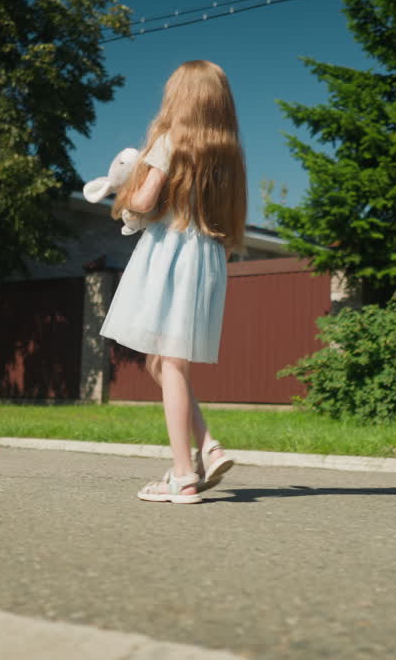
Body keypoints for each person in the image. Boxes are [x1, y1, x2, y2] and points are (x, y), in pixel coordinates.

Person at [101, 60, 247, 504]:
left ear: (178, 99)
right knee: (161, 363)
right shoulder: (228, 155)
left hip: (171, 252)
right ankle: (207, 445)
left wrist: (124, 198)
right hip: (207, 256)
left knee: (171, 363)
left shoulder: (170, 142)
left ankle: (184, 475)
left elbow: (145, 201)